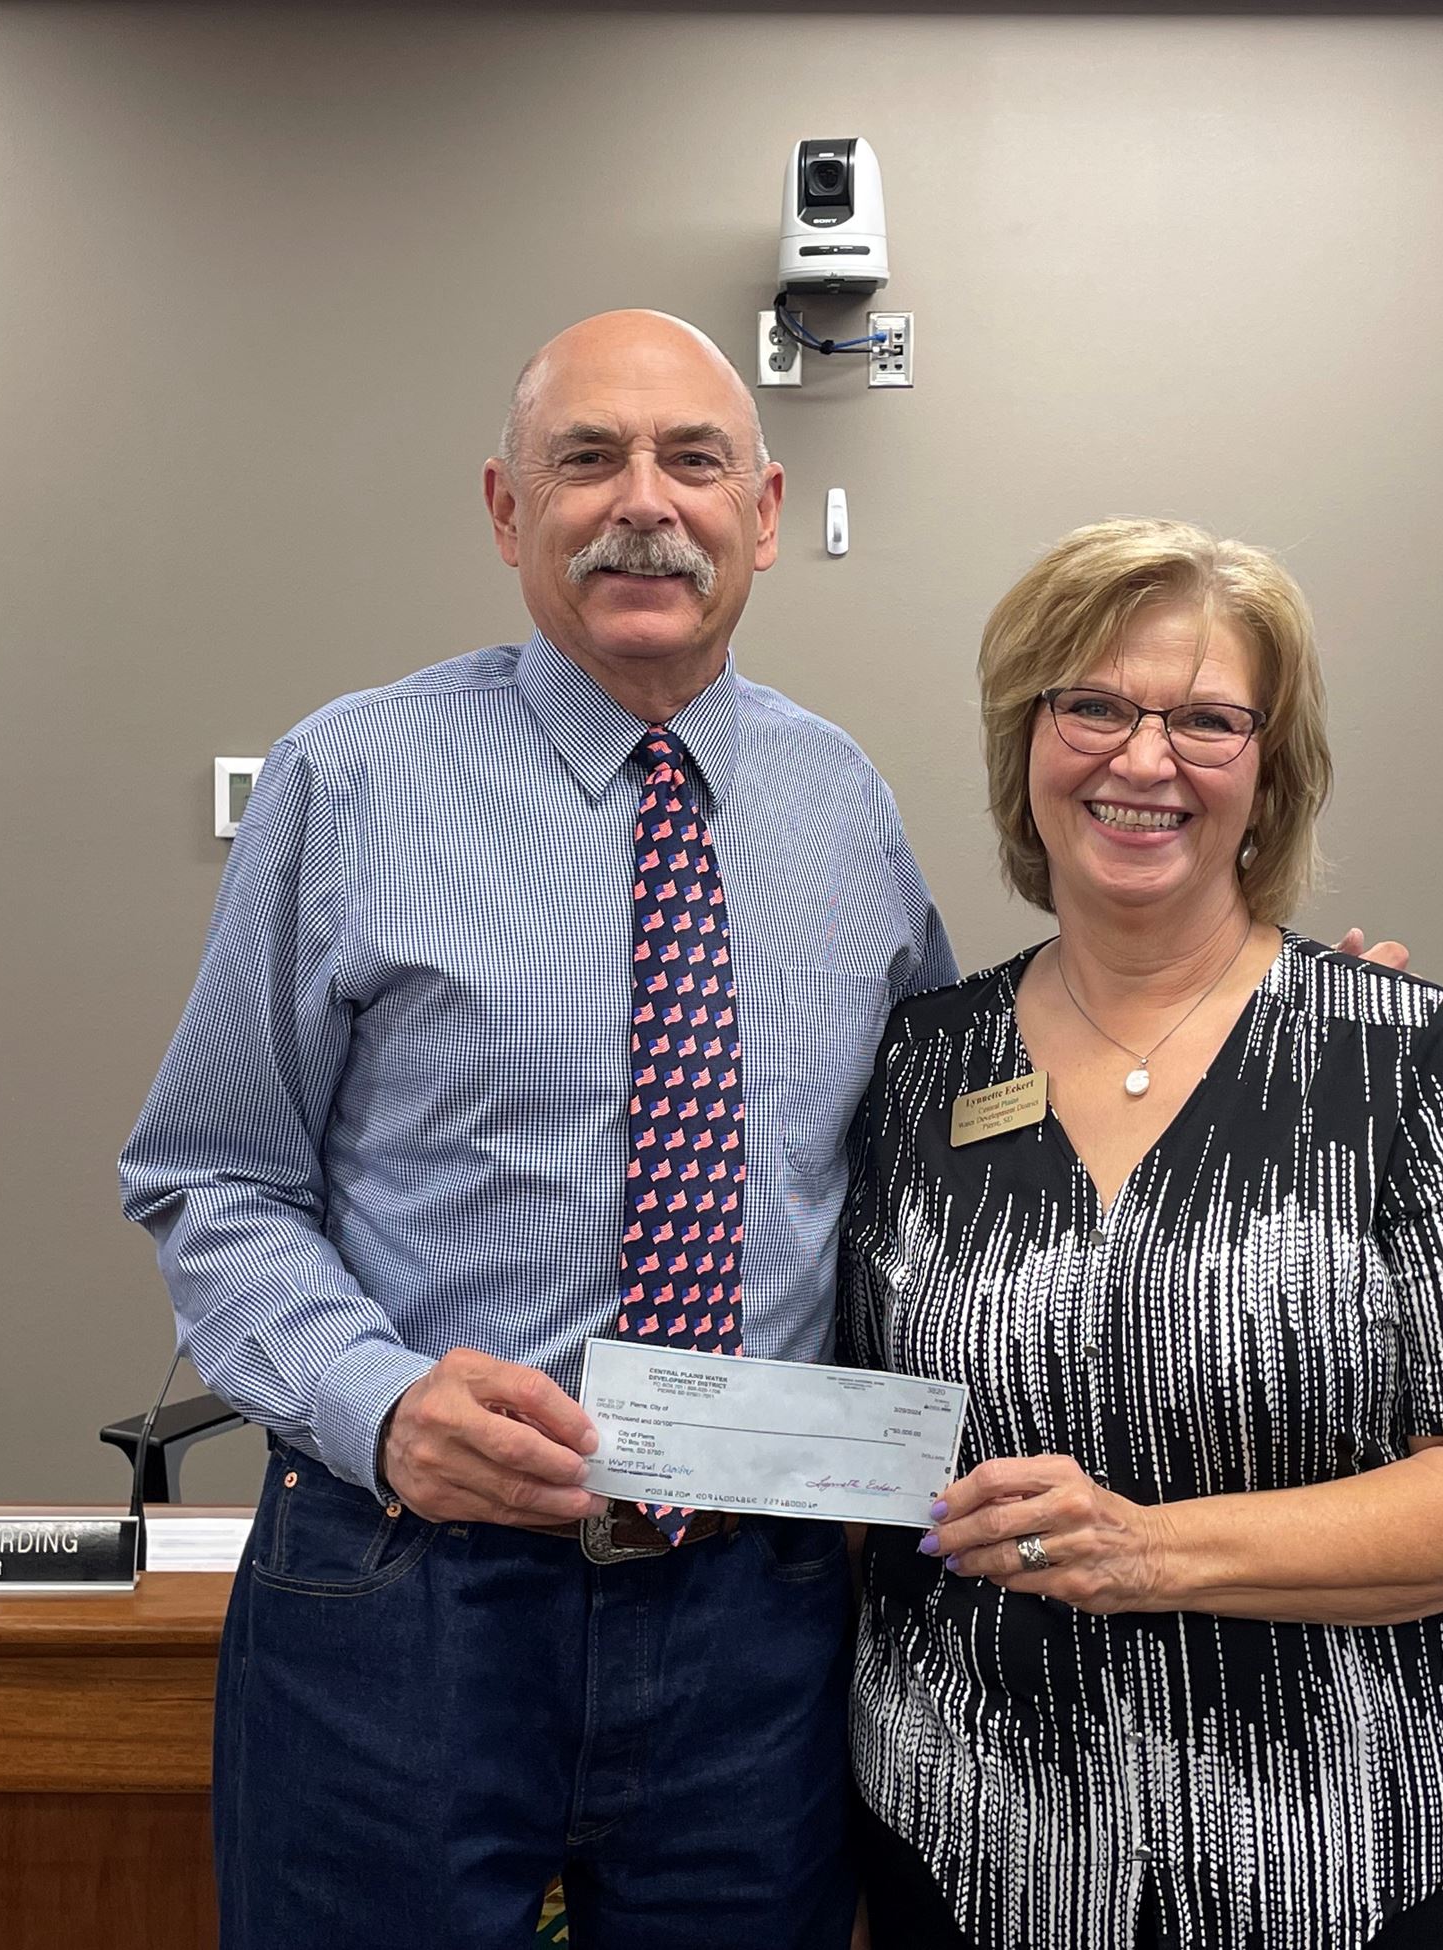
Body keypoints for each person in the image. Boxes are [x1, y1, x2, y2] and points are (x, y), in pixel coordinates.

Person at [120, 310, 957, 1950]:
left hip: (753, 1614)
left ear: (765, 511)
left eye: (692, 460)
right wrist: (375, 1403)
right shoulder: (347, 777)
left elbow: (947, 1145)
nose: (644, 501)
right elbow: (212, 1174)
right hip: (404, 1585)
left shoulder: (844, 807)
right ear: (509, 511)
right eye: (588, 458)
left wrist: (1249, 1006)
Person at [840, 519, 1443, 1950]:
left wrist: (1151, 1550)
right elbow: (862, 1443)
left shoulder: (1396, 1050)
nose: (1144, 759)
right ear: (1027, 742)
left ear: (1270, 770)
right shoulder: (921, 1066)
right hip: (976, 1860)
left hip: (1360, 1863)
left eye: (1205, 718)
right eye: (1094, 705)